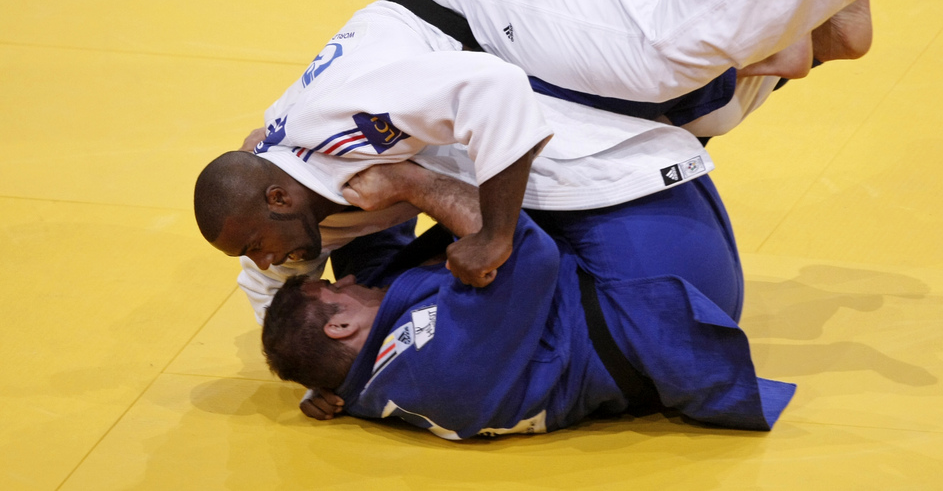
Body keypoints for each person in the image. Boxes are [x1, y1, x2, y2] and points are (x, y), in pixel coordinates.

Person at [195, 0, 913, 317]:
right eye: (249, 251)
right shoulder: (295, 200)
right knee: (660, 127)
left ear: (280, 192)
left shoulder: (337, 128)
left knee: (655, 63)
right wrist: (311, 376)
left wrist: (495, 235)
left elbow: (494, 93)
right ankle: (820, 25)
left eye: (256, 240)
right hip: (489, 46)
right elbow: (271, 304)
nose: (264, 259)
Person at [261, 161, 794, 437]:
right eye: (334, 289)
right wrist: (414, 182)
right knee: (528, 126)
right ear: (338, 327)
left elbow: (369, 239)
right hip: (654, 293)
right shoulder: (436, 361)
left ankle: (783, 56)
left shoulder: (361, 378)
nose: (347, 280)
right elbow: (528, 251)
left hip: (641, 288)